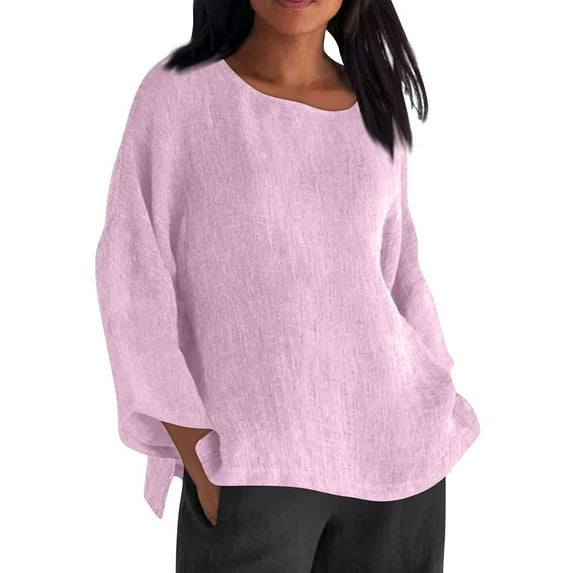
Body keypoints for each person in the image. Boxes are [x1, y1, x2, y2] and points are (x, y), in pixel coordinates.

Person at [94, 0, 481, 571]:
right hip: (253, 467)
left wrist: (437, 390)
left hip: (397, 459)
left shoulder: (378, 105)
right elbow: (131, 270)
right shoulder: (179, 94)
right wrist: (194, 449)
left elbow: (399, 270)